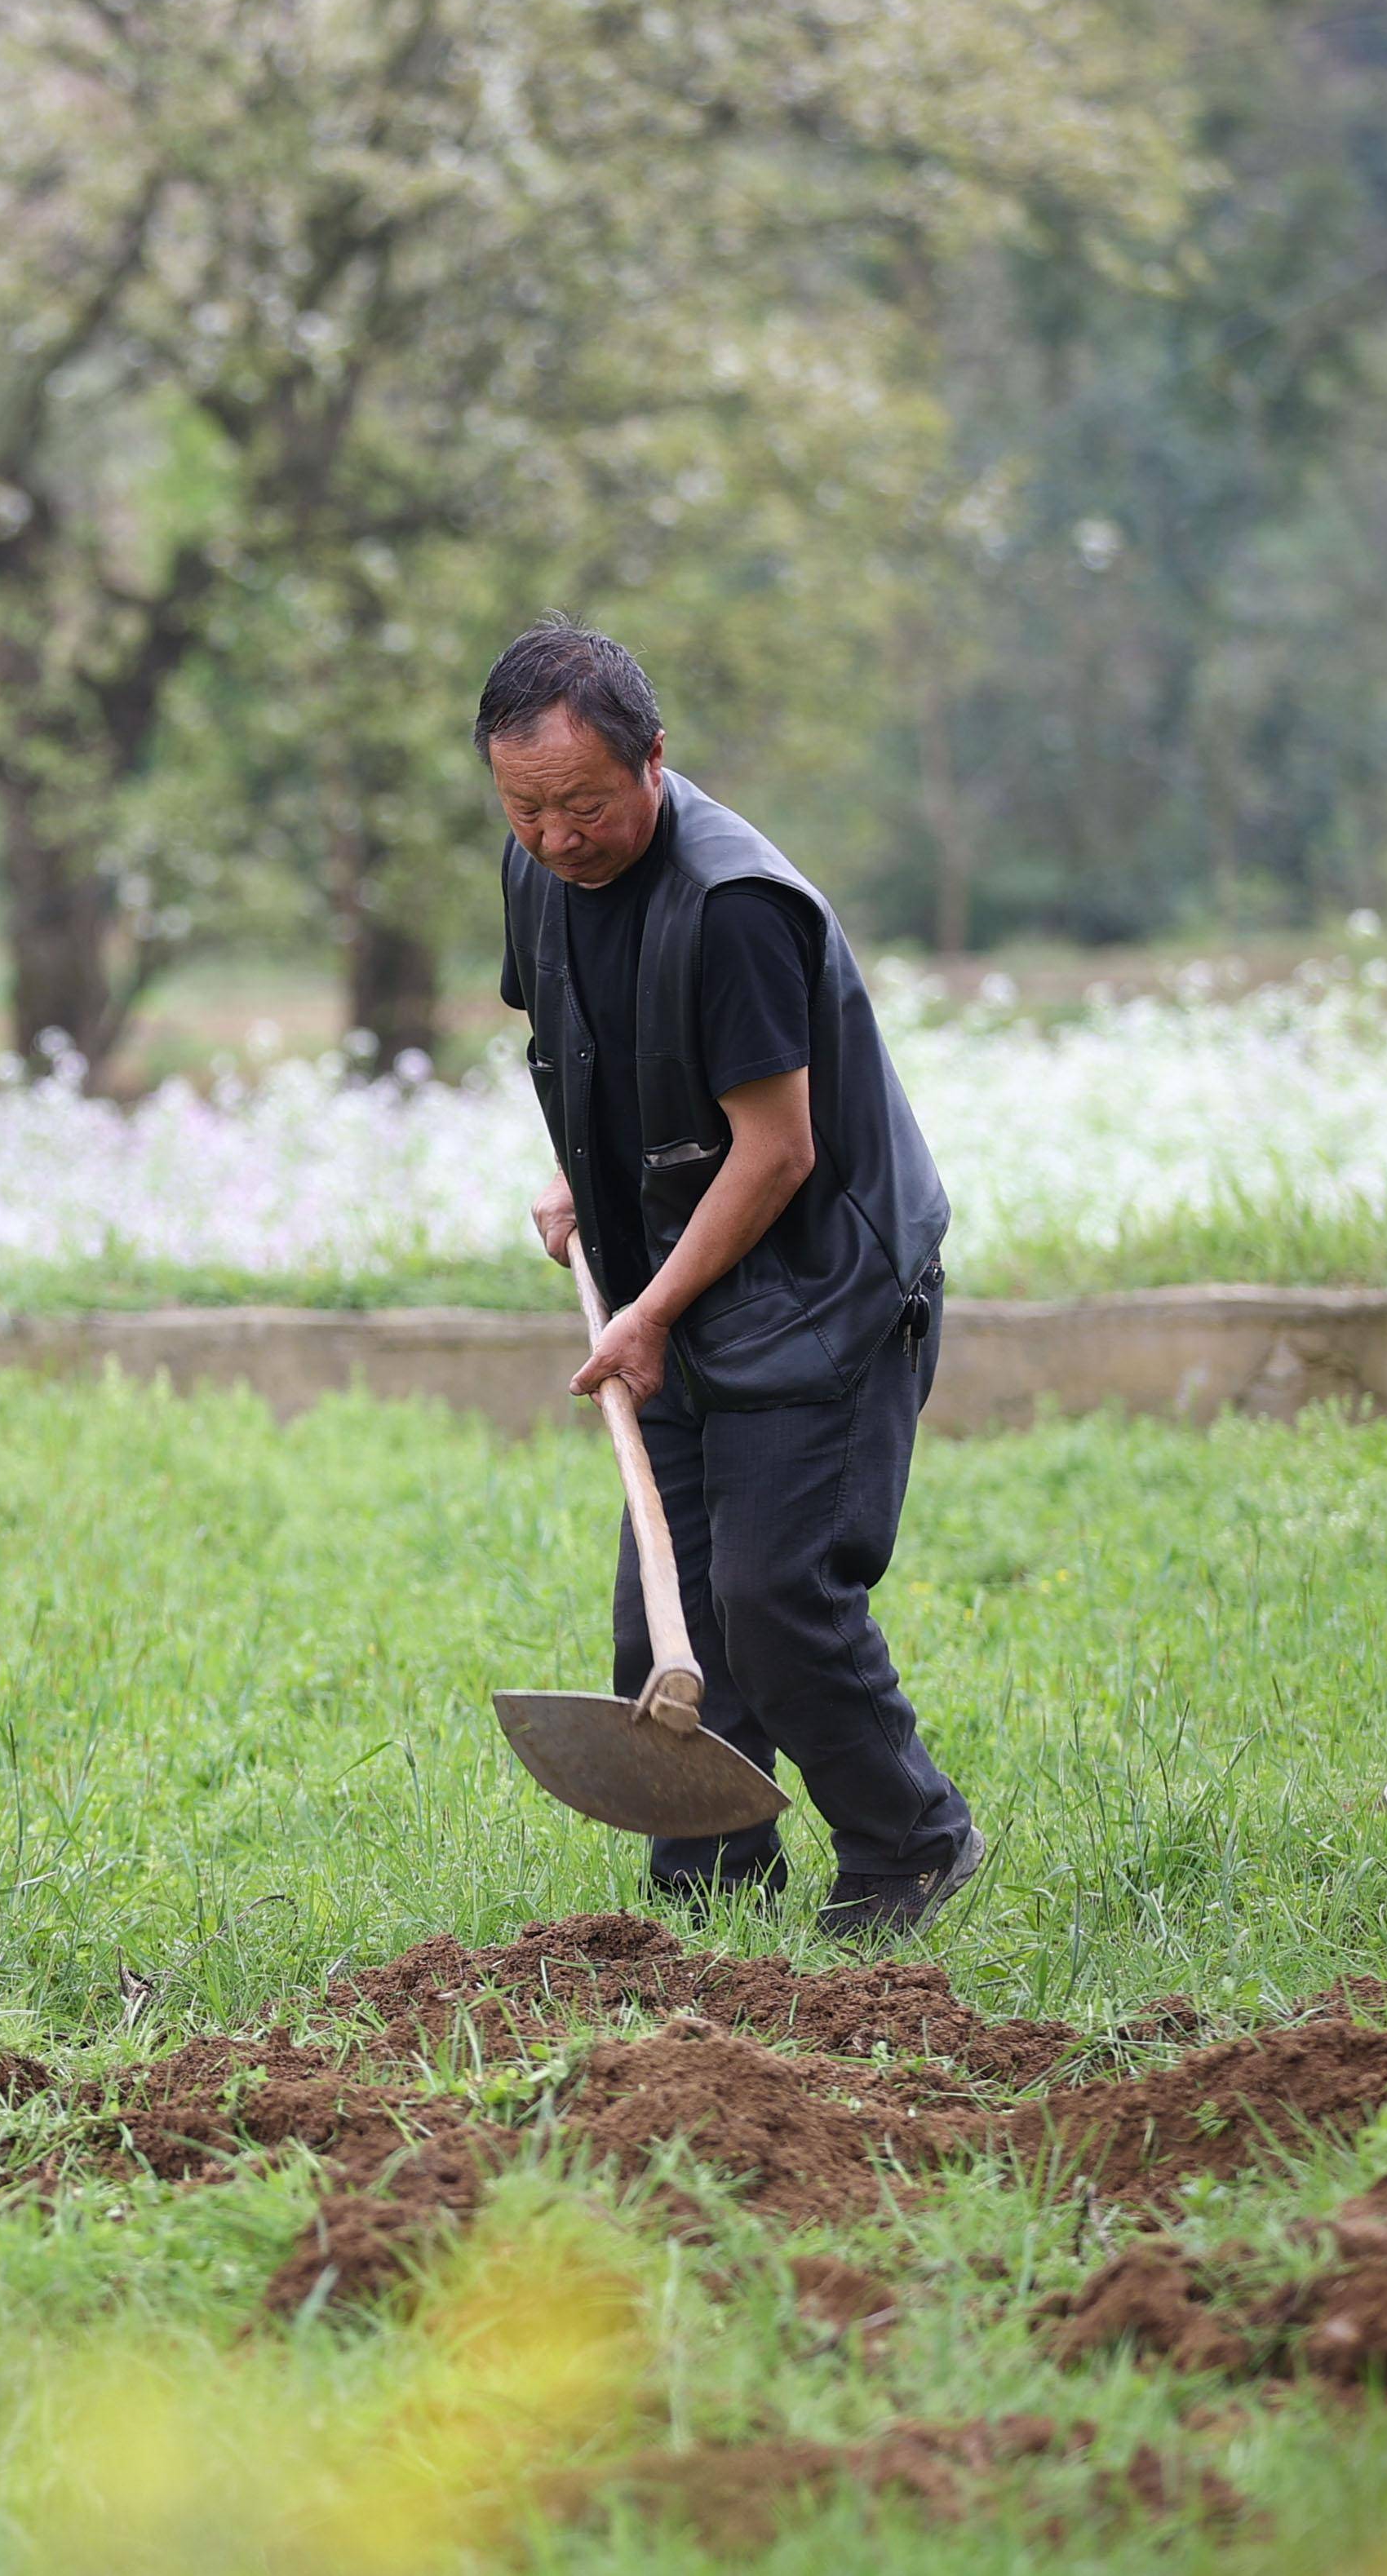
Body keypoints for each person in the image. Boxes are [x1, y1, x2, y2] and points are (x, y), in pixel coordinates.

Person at [479, 617, 982, 1940]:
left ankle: (906, 1841)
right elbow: (582, 1044)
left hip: (819, 1286)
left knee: (773, 1597)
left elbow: (777, 1147)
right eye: (524, 808)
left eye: (582, 803)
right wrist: (583, 1179)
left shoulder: (733, 907)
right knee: (662, 1634)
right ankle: (713, 1879)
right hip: (680, 1274)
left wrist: (647, 1311)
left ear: (654, 759)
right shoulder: (539, 872)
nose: (555, 835)